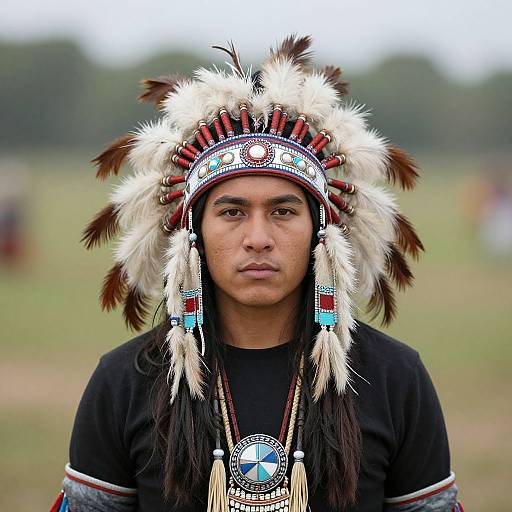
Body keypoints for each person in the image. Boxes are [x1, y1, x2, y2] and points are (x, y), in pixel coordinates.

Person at [50, 36, 464, 512]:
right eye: (231, 212)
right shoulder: (126, 381)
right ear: (193, 233)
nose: (258, 238)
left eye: (284, 211)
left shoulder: (392, 378)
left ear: (321, 231)